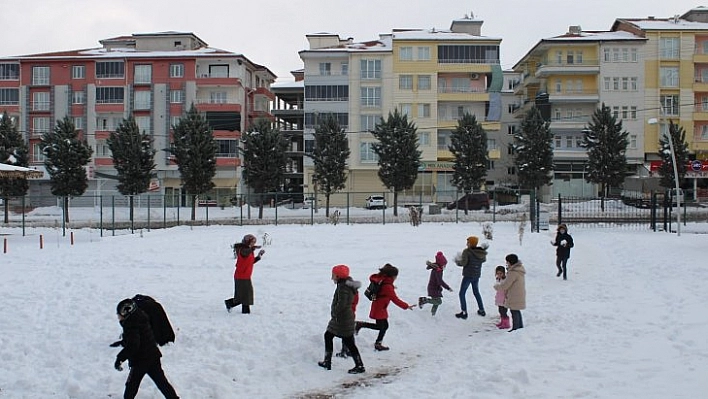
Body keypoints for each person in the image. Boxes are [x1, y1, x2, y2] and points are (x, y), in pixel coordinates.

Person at [113, 298, 179, 399]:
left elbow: (133, 345)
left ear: (126, 313)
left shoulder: (131, 325)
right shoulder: (140, 317)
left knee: (131, 385)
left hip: (140, 360)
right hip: (153, 355)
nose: (118, 317)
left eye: (119, 315)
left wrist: (120, 358)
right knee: (162, 382)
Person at [317, 265, 366, 374]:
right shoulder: (345, 285)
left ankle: (359, 366)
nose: (332, 278)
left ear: (338, 276)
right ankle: (327, 361)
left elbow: (342, 304)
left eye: (333, 275)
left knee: (345, 341)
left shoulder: (343, 287)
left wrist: (334, 311)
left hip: (342, 318)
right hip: (343, 318)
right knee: (330, 336)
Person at [355, 263, 415, 351]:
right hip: (380, 308)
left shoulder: (385, 281)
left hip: (380, 307)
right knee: (382, 326)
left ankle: (365, 329)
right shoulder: (387, 286)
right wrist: (406, 306)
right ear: (392, 276)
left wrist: (391, 286)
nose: (396, 278)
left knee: (384, 326)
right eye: (395, 276)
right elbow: (395, 299)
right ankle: (374, 340)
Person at [224, 234, 265, 313]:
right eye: (252, 242)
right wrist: (253, 248)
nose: (253, 243)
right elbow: (245, 253)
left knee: (246, 294)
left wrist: (259, 256)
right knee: (245, 295)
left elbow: (250, 262)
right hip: (241, 276)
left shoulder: (248, 250)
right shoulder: (243, 250)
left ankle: (232, 304)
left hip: (245, 276)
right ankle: (239, 308)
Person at [454, 236, 489, 319]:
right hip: (476, 275)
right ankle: (482, 310)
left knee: (462, 293)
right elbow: (483, 260)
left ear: (471, 243)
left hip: (468, 275)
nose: (467, 244)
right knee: (476, 292)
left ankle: (464, 312)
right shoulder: (480, 252)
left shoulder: (467, 252)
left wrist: (457, 261)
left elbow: (463, 263)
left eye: (468, 242)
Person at [495, 254, 526, 332]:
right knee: (516, 310)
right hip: (518, 293)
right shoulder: (519, 269)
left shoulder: (513, 272)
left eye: (507, 262)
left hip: (514, 294)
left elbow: (506, 285)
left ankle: (515, 328)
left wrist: (497, 287)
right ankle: (520, 326)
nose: (506, 263)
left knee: (514, 311)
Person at [418, 251, 453, 316]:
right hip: (433, 288)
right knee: (438, 301)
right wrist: (448, 288)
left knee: (436, 302)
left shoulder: (437, 269)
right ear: (441, 264)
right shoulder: (438, 270)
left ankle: (432, 314)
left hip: (435, 288)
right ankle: (424, 300)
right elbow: (440, 281)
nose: (444, 266)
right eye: (444, 265)